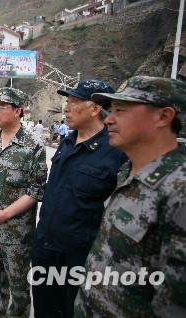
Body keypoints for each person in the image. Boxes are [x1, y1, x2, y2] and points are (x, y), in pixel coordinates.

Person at [74, 76, 186, 317]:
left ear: (163, 117)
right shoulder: (130, 172)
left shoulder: (178, 190)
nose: (110, 119)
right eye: (110, 110)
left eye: (120, 110)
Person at [31, 79, 128, 318]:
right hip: (46, 245)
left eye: (73, 102)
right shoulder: (67, 141)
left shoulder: (117, 152)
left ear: (95, 108)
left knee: (76, 310)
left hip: (80, 255)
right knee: (45, 309)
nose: (66, 107)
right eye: (67, 102)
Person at [0, 87, 48, 318]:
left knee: (18, 280)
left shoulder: (33, 146)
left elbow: (36, 190)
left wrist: (5, 214)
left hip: (16, 231)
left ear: (17, 111)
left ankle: (17, 314)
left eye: (0, 107)